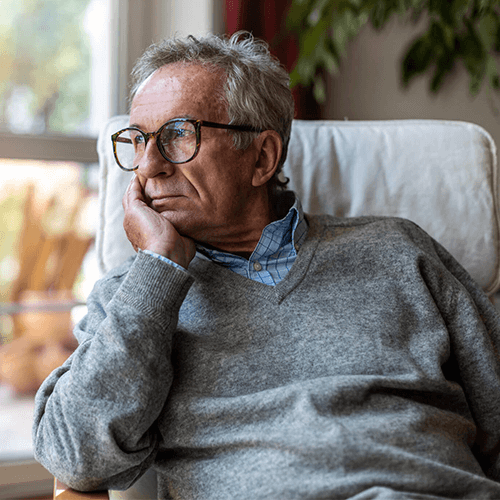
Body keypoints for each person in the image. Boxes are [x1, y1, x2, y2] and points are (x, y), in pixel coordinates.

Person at [33, 32, 500, 499]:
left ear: (261, 158)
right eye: (137, 141)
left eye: (178, 134)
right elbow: (76, 458)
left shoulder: (400, 250)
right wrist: (157, 268)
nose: (148, 166)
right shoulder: (132, 298)